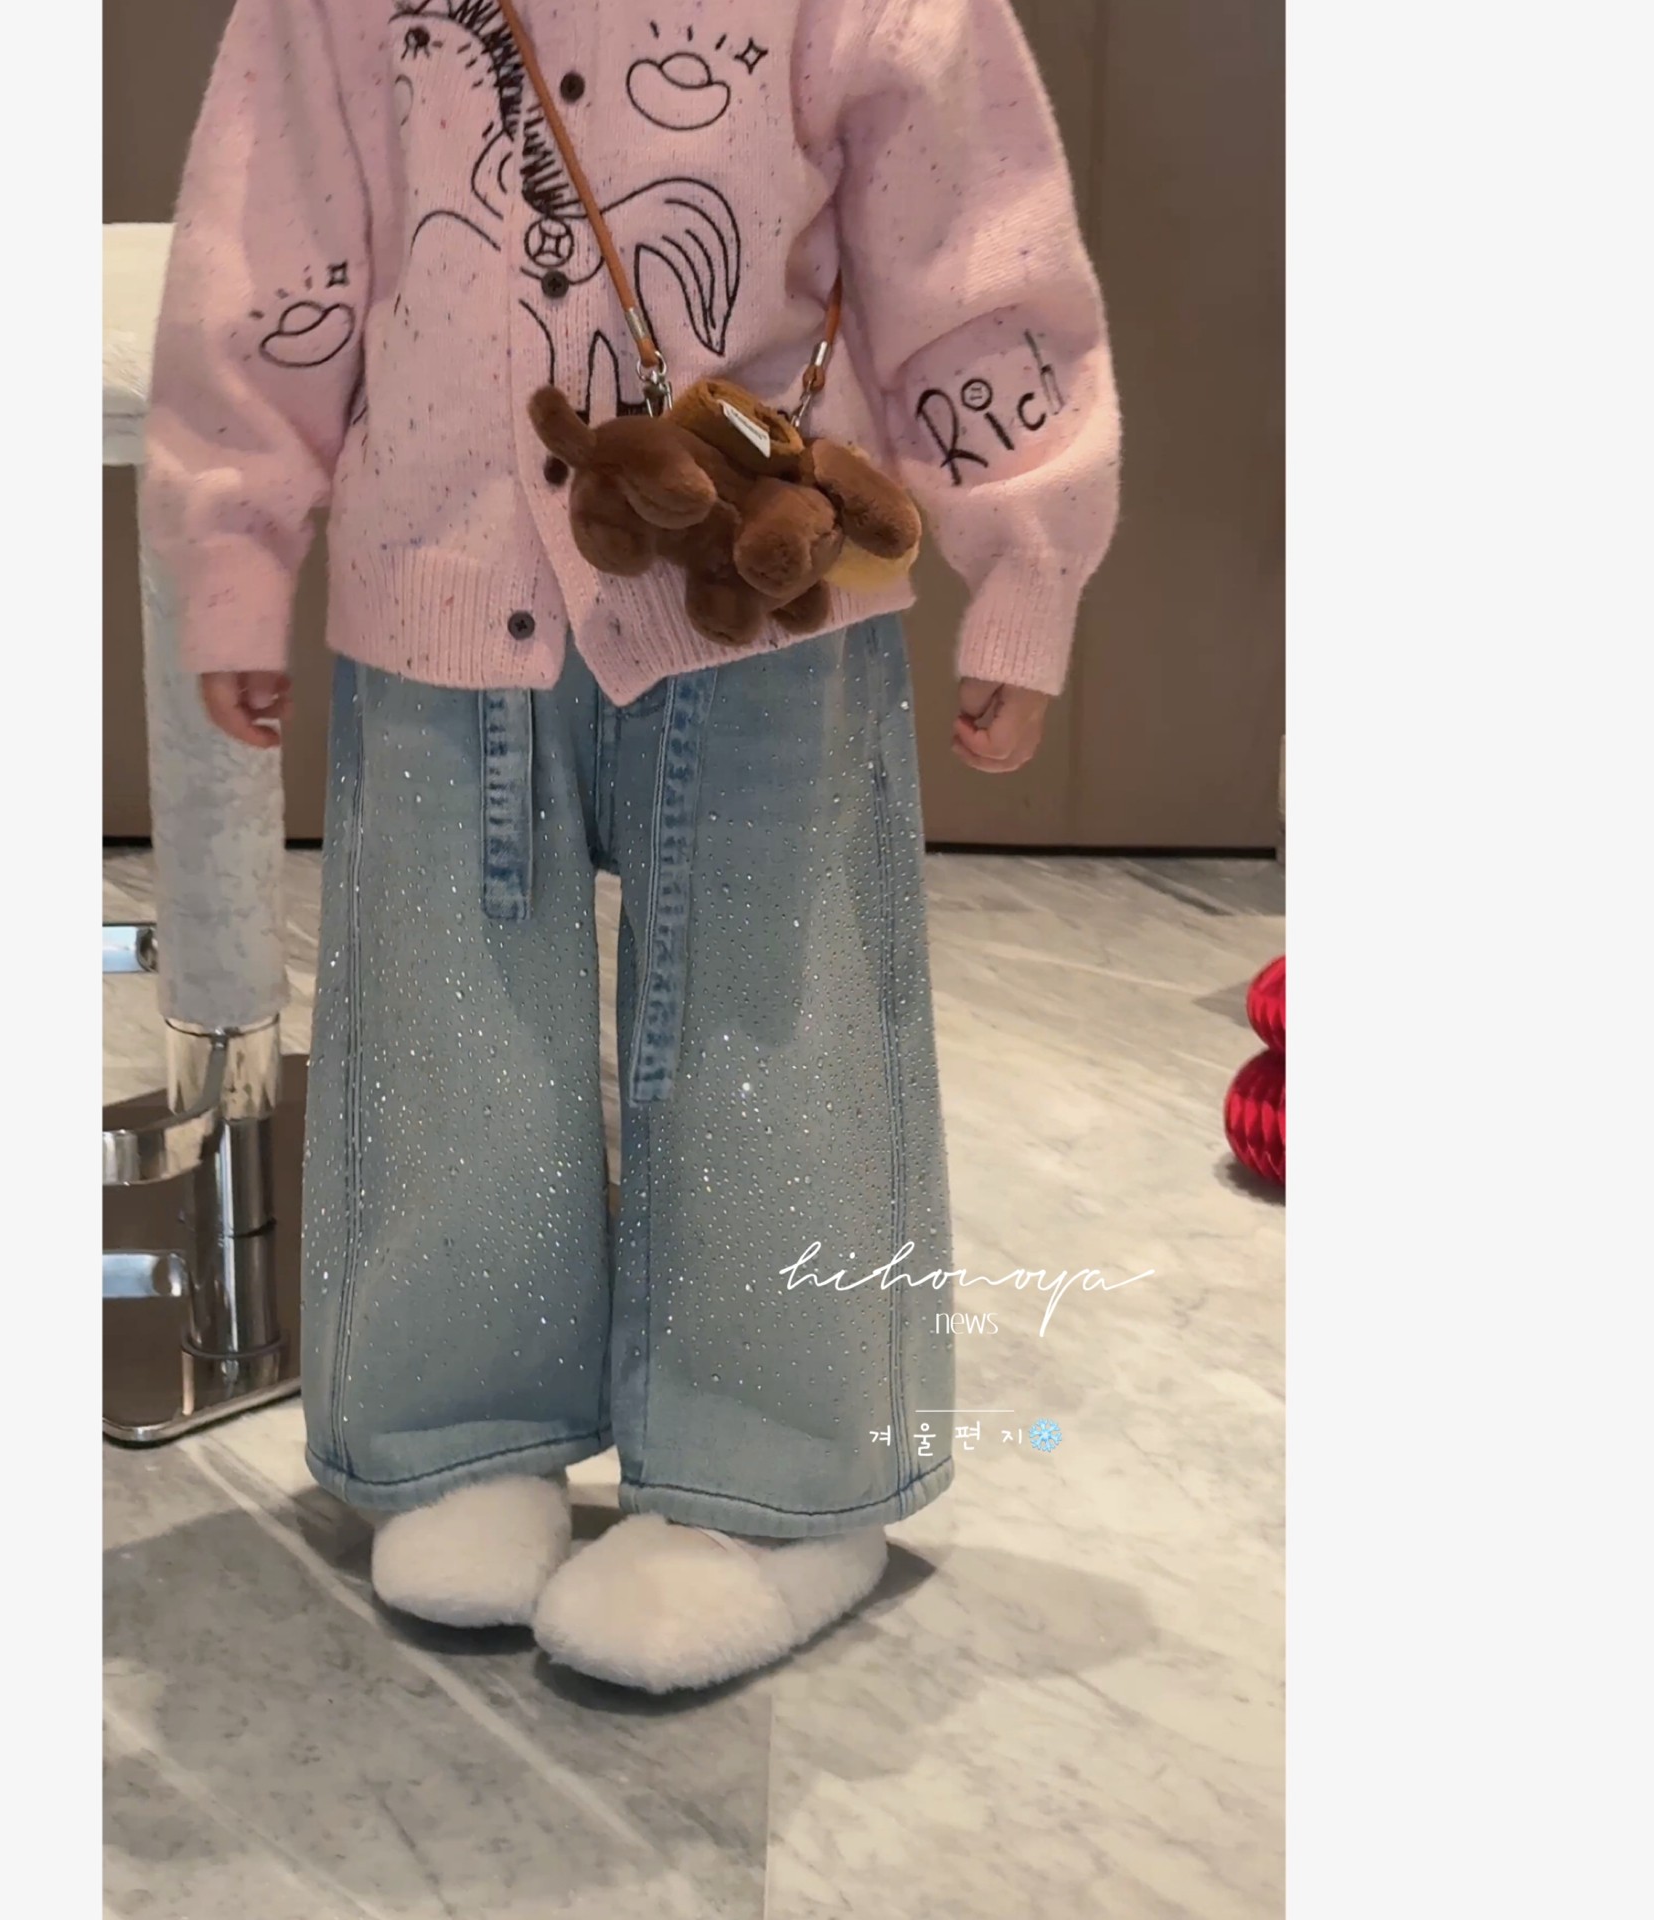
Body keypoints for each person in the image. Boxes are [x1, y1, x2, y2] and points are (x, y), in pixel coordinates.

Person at [143, 0, 1119, 1693]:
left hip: (761, 585)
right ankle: (463, 1431)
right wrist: (236, 544)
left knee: (777, 1048)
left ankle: (780, 1484)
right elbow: (274, 228)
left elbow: (972, 236)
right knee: (446, 1033)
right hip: (438, 564)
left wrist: (1027, 553)